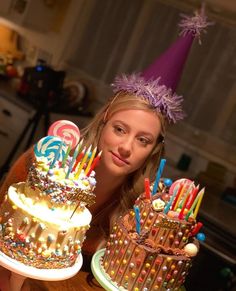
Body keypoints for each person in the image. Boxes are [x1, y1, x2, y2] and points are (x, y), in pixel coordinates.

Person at [0, 7, 209, 290]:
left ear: (154, 149)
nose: (125, 147)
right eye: (120, 129)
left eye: (143, 140)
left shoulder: (142, 214)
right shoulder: (45, 166)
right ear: (104, 123)